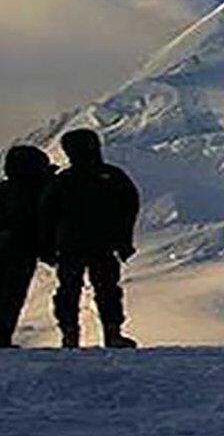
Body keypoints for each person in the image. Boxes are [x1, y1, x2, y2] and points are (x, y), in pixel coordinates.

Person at [40, 129, 139, 349]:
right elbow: (128, 209)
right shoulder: (111, 176)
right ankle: (107, 334)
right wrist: (124, 240)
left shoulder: (65, 179)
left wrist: (47, 247)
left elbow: (46, 215)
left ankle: (73, 335)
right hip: (94, 244)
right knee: (102, 289)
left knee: (74, 289)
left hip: (76, 244)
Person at [0, 146, 56, 348]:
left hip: (21, 250)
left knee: (11, 295)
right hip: (22, 251)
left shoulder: (9, 190)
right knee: (12, 296)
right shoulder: (41, 190)